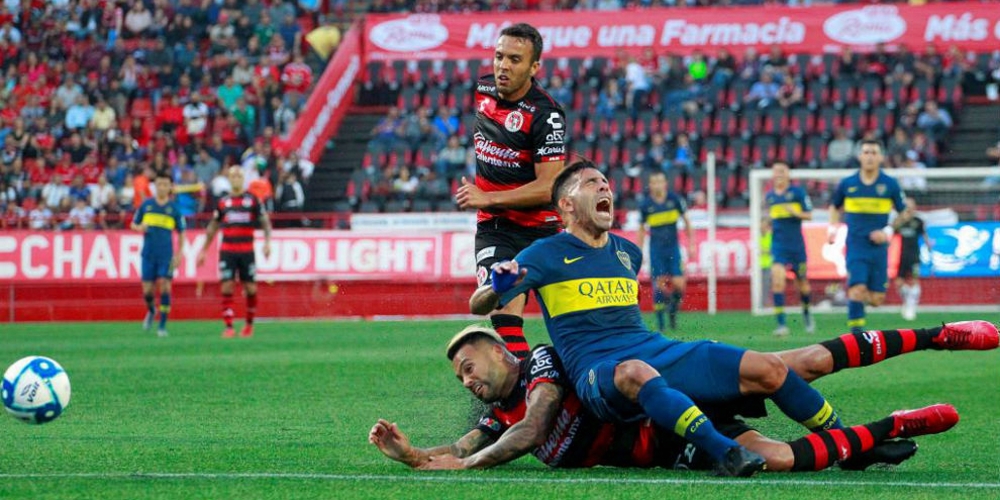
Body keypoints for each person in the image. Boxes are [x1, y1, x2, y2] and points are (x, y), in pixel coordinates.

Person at [469, 160, 857, 477]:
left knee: (769, 368)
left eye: (606, 182)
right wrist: (496, 286)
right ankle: (726, 453)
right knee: (636, 371)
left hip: (654, 350)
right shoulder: (543, 253)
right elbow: (480, 303)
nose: (605, 188)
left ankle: (850, 445)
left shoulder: (627, 252)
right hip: (599, 372)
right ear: (567, 205)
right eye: (591, 183)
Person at [370, 320, 996, 471]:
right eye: (460, 378)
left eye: (469, 366)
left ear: (496, 349)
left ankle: (936, 336)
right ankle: (891, 426)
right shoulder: (496, 416)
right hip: (668, 443)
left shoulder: (542, 363)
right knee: (776, 458)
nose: (468, 380)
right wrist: (415, 455)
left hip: (662, 393)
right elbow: (464, 445)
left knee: (801, 363)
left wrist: (467, 465)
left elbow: (532, 428)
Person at [458, 23, 567, 359]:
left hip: (541, 230)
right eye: (499, 56)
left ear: (534, 67)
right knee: (503, 318)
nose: (503, 66)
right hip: (496, 228)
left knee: (572, 325)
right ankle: (523, 386)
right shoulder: (483, 89)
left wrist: (487, 197)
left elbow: (549, 187)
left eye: (515, 59)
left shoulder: (546, 115)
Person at [828, 140, 907, 335]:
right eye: (866, 152)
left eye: (874, 152)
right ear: (859, 156)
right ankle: (856, 336)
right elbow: (834, 206)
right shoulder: (848, 183)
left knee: (876, 299)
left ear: (881, 157)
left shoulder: (890, 184)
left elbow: (904, 212)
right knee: (857, 289)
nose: (870, 156)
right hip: (856, 246)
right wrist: (832, 228)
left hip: (879, 250)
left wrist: (887, 231)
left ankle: (856, 304)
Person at [197, 166, 273, 338]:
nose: (236, 178)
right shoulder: (223, 202)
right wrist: (203, 250)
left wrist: (267, 242)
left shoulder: (252, 200)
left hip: (247, 251)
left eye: (239, 175)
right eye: (233, 176)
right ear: (229, 179)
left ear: (243, 179)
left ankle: (249, 325)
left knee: (251, 288)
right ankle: (229, 326)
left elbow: (265, 222)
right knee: (226, 286)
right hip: (228, 250)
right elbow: (213, 227)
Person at [635, 170, 694, 332]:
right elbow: (641, 229)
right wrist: (639, 250)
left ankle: (672, 310)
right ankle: (661, 325)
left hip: (673, 248)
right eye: (654, 182)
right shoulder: (646, 205)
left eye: (660, 181)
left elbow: (687, 222)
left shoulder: (674, 200)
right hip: (656, 250)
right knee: (659, 284)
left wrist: (691, 244)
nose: (657, 185)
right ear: (650, 185)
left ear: (665, 184)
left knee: (679, 284)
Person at [131, 172, 185, 337]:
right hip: (148, 254)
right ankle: (151, 310)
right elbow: (133, 224)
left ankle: (162, 326)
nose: (162, 187)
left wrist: (179, 254)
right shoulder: (146, 205)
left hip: (166, 255)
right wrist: (139, 228)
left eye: (165, 184)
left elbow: (181, 232)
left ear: (170, 187)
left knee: (165, 286)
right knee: (147, 291)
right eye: (159, 184)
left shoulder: (174, 209)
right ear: (155, 186)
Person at [764, 161, 814, 336]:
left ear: (788, 174)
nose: (779, 174)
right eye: (776, 171)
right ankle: (781, 325)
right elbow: (770, 218)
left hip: (796, 247)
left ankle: (807, 314)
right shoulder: (770, 196)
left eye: (782, 171)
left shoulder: (798, 193)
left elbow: (809, 215)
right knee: (777, 281)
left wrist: (795, 213)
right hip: (779, 246)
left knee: (802, 285)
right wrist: (766, 224)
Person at [893, 198, 932, 321]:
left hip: (914, 255)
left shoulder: (918, 221)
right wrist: (901, 218)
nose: (908, 208)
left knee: (914, 279)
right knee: (899, 282)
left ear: (914, 207)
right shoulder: (899, 220)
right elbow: (893, 230)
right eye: (906, 205)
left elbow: (924, 234)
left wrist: (929, 244)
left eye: (910, 206)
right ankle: (907, 301)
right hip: (900, 255)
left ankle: (912, 306)